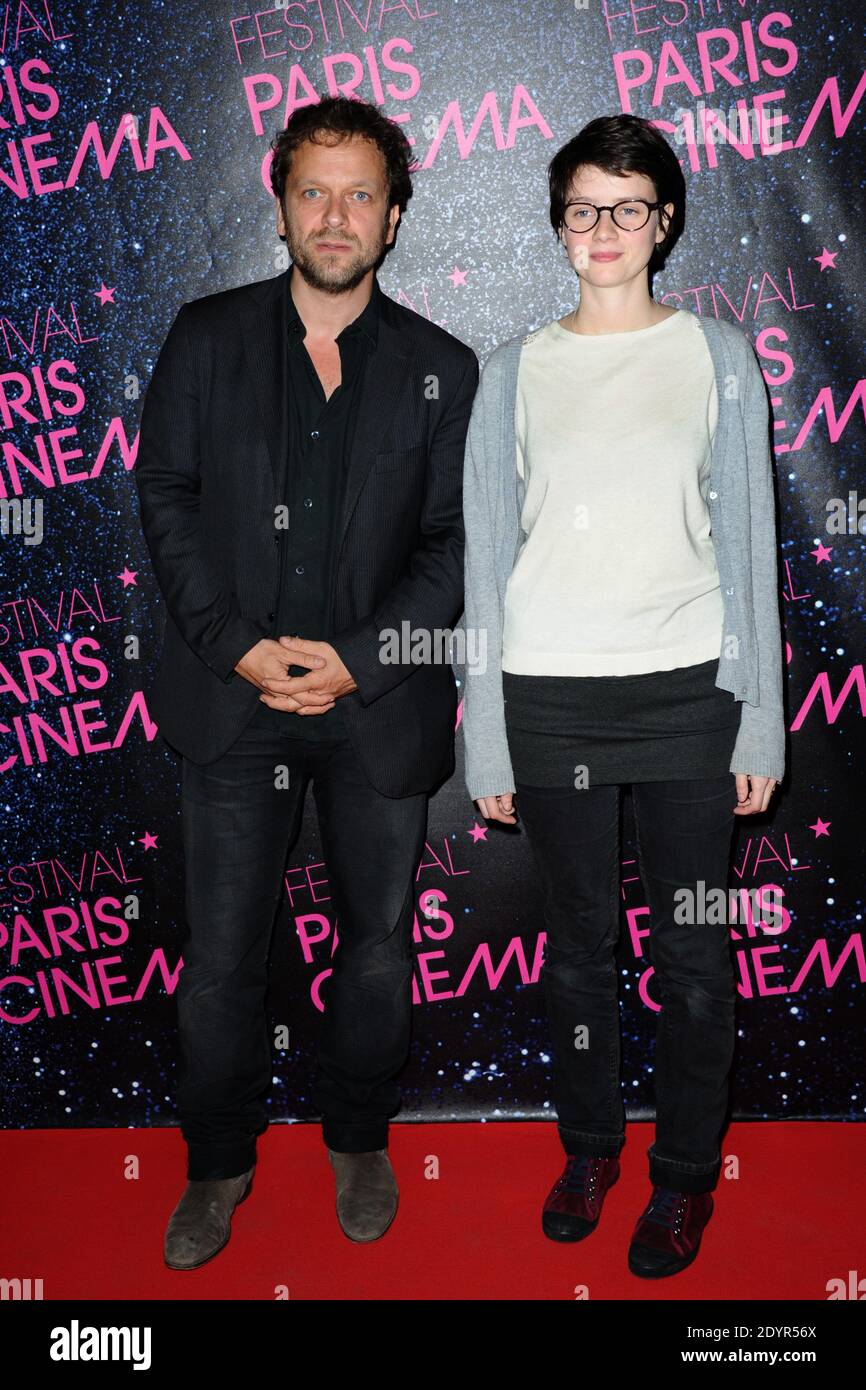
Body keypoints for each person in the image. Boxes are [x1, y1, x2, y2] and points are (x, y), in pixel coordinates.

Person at [135, 94, 478, 1269]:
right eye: (313, 190)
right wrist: (240, 645)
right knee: (222, 956)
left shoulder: (444, 367)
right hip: (232, 703)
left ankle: (358, 1135)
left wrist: (357, 659)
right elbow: (165, 499)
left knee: (375, 950)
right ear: (280, 200)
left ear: (392, 217)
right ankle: (218, 1161)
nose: (336, 215)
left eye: (361, 194)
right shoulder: (204, 336)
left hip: (376, 711)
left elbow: (454, 542)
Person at [461, 114, 785, 1279]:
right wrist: (486, 735)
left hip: (690, 694)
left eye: (627, 207)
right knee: (577, 953)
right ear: (558, 226)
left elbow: (748, 545)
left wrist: (756, 714)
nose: (604, 230)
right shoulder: (510, 371)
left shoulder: (717, 357)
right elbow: (486, 561)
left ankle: (685, 1180)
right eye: (582, 208)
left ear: (665, 221)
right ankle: (590, 1147)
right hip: (549, 700)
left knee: (696, 959)